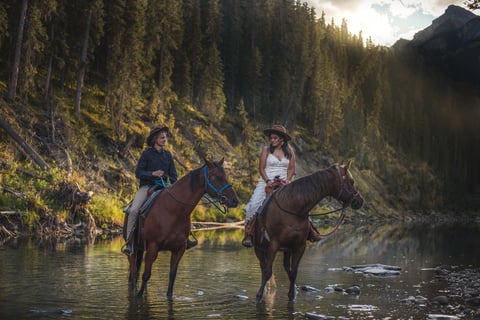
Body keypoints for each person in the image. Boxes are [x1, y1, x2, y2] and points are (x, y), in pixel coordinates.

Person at [242, 124, 322, 247]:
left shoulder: (289, 151)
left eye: (275, 138)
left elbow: (291, 169)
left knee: (300, 203)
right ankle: (249, 234)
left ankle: (311, 230)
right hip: (267, 181)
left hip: (284, 183)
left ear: (282, 139)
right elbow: (261, 168)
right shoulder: (266, 150)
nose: (272, 140)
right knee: (254, 204)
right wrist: (268, 181)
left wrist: (288, 180)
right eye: (271, 138)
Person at [122, 126, 196, 255]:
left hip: (165, 188)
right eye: (162, 137)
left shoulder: (168, 155)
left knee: (182, 206)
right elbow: (138, 173)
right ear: (155, 139)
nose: (164, 139)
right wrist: (153, 174)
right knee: (134, 210)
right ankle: (129, 242)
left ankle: (186, 237)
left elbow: (173, 176)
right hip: (147, 187)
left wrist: (176, 187)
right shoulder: (146, 154)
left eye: (165, 137)